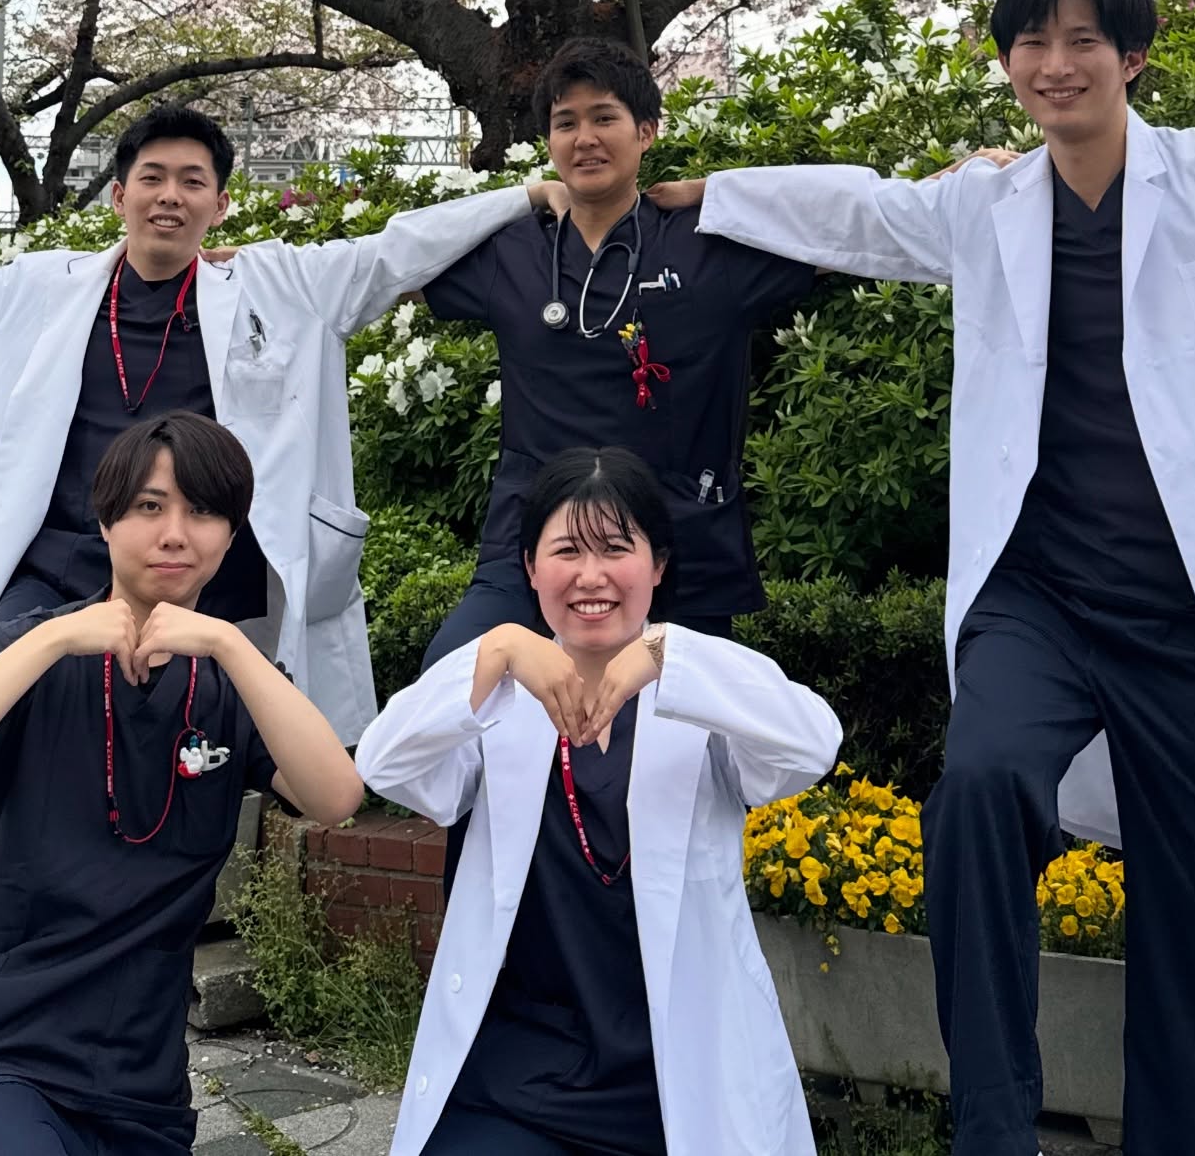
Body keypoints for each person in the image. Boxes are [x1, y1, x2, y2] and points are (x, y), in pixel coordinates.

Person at [658, 0, 1195, 1156]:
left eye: (1082, 39)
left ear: (1134, 55)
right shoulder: (988, 204)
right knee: (981, 786)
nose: (1055, 64)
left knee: (1193, 910)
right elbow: (862, 212)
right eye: (1031, 41)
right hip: (1040, 595)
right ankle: (996, 1126)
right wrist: (710, 194)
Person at [0, 104, 566, 782]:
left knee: (197, 769)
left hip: (205, 581)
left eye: (192, 181)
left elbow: (393, 252)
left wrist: (525, 195)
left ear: (221, 204)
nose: (169, 196)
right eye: (152, 177)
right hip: (56, 566)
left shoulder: (280, 286)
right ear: (118, 196)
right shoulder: (35, 291)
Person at [0, 410, 365, 1155]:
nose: (175, 534)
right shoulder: (29, 652)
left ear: (233, 535)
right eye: (148, 506)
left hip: (136, 1077)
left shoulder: (231, 680)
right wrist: (51, 638)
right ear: (104, 523)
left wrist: (232, 644)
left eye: (204, 512)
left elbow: (335, 797)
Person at [356, 445, 841, 1156]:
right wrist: (496, 650)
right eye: (566, 551)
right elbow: (384, 762)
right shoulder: (499, 705)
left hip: (677, 1073)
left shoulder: (700, 704)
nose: (591, 575)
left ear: (658, 565)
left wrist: (670, 652)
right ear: (529, 568)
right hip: (524, 1072)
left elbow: (812, 744)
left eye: (616, 548)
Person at [421, 38, 817, 666]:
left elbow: (852, 230)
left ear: (647, 131)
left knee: (681, 714)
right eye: (565, 123)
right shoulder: (513, 253)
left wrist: (719, 192)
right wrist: (525, 196)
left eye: (604, 117)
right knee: (454, 677)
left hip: (679, 552)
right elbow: (382, 264)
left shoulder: (709, 248)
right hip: (535, 550)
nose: (585, 139)